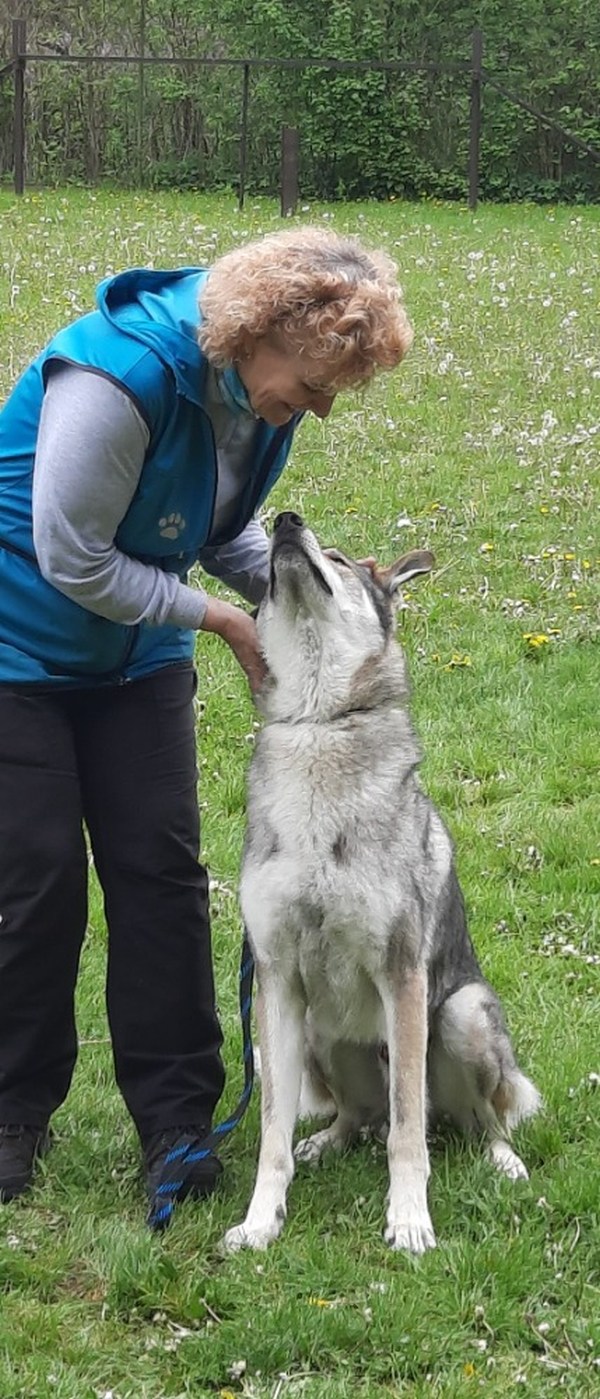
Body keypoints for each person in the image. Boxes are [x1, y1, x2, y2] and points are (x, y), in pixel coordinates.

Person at [0, 225, 413, 1214]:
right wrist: (226, 619)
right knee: (38, 876)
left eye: (329, 394)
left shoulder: (262, 397)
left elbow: (218, 528)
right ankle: (12, 1115)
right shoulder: (121, 378)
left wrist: (313, 586)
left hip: (134, 651)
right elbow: (72, 553)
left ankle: (178, 1122)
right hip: (17, 645)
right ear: (257, 328)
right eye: (314, 382)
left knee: (163, 871)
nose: (316, 407)